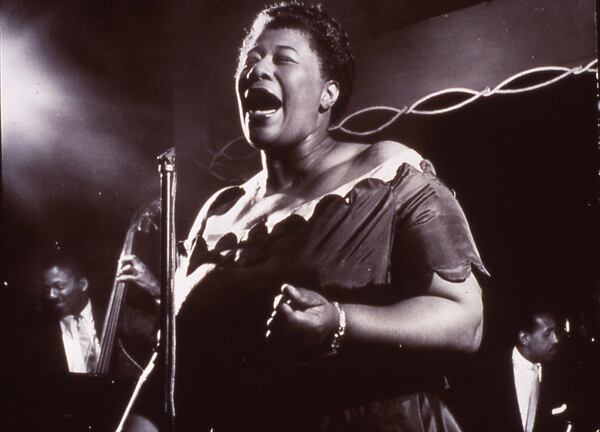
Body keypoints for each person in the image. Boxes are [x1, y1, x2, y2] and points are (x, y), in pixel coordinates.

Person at [130, 3, 487, 431]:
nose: (258, 70)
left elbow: (463, 321)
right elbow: (171, 368)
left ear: (328, 93)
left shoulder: (387, 172)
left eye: (283, 58)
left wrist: (339, 321)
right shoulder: (220, 214)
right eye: (251, 60)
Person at [464, 311, 569, 432]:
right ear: (524, 338)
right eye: (547, 334)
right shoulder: (486, 373)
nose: (555, 340)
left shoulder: (562, 375)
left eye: (556, 332)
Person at [35, 256, 102, 373]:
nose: (51, 295)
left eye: (59, 287)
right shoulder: (40, 330)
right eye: (47, 289)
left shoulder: (120, 316)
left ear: (82, 284)